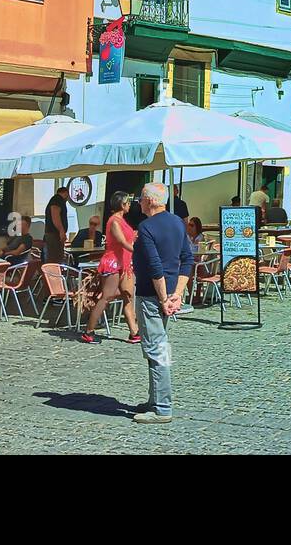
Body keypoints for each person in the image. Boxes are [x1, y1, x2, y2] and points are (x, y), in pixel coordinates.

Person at [130, 182, 194, 424]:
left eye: (141, 198)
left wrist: (164, 297)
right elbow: (187, 258)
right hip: (167, 294)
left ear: (150, 201)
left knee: (156, 351)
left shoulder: (146, 227)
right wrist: (177, 293)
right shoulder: (177, 222)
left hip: (151, 296)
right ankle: (154, 399)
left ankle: (162, 408)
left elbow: (155, 266)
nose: (139, 202)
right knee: (156, 348)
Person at [80, 192, 140, 344]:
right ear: (121, 204)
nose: (129, 204)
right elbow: (121, 241)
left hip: (124, 263)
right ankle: (89, 331)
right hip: (113, 263)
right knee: (106, 297)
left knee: (128, 296)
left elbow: (128, 238)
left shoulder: (122, 220)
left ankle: (134, 332)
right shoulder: (114, 221)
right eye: (127, 202)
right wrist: (139, 251)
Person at [44, 185, 69, 264]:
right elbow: (55, 216)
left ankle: (54, 274)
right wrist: (61, 231)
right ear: (65, 193)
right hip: (54, 234)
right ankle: (52, 275)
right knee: (54, 259)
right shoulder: (57, 200)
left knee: (57, 258)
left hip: (54, 233)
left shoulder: (56, 200)